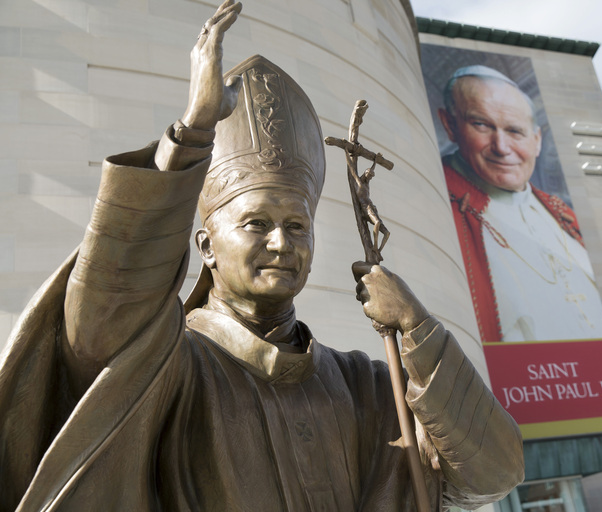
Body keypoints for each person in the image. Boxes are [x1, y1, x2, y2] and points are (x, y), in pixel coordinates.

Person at [0, 2, 524, 511]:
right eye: (256, 223)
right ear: (206, 246)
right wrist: (192, 137)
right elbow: (103, 317)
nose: (281, 243)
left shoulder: (366, 385)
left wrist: (418, 328)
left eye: (297, 226)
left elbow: (493, 475)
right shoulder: (170, 366)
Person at [438, 65, 602, 343]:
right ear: (450, 125)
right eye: (481, 125)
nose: (501, 147)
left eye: (515, 131)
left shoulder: (563, 214)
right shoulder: (436, 206)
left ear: (537, 140)